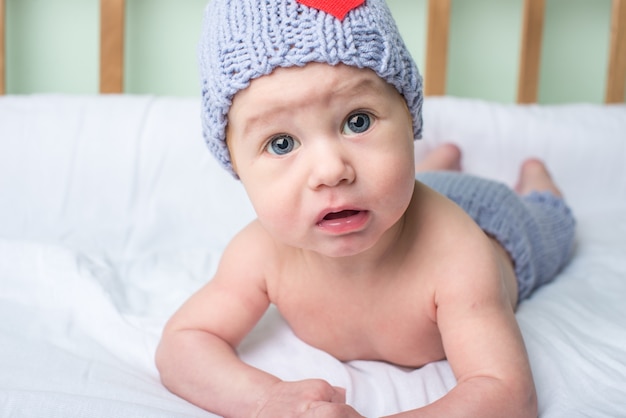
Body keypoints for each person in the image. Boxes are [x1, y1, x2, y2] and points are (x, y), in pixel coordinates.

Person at [155, 0, 576, 416]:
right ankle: (440, 161)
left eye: (358, 121)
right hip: (398, 194)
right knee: (409, 182)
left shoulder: (458, 253)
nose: (330, 171)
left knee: (552, 221)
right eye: (281, 143)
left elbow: (507, 393)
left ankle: (538, 182)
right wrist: (265, 400)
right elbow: (183, 341)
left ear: (410, 120)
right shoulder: (261, 254)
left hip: (498, 221)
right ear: (237, 169)